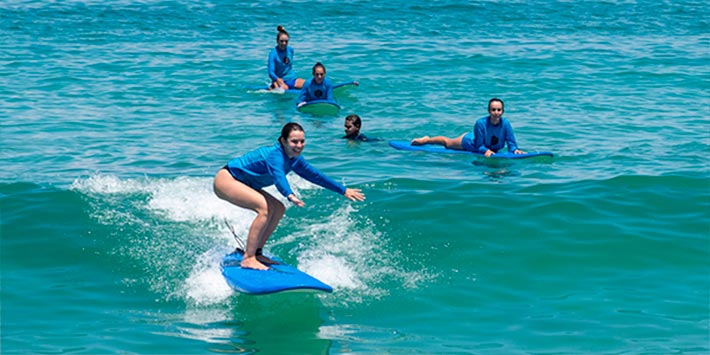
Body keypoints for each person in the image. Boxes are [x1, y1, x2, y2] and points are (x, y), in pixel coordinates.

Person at [213, 122, 366, 270]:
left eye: (302, 141)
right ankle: (248, 258)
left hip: (246, 184)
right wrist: (289, 194)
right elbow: (279, 176)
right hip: (228, 179)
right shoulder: (274, 155)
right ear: (283, 141)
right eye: (294, 141)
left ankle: (257, 253)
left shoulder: (294, 159)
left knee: (278, 209)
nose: (299, 146)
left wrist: (343, 190)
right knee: (264, 208)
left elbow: (316, 176)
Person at [411, 98, 526, 157]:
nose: (496, 112)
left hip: (487, 144)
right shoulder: (480, 123)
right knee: (448, 143)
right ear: (489, 111)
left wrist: (515, 150)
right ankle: (427, 139)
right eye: (493, 110)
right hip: (469, 141)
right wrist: (485, 150)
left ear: (503, 111)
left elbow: (511, 143)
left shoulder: (506, 124)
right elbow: (479, 146)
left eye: (499, 110)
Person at [268, 25, 305, 90]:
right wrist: (277, 79)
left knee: (309, 84)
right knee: (284, 89)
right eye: (281, 41)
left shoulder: (290, 50)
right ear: (277, 41)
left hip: (292, 79)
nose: (284, 43)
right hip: (280, 81)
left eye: (286, 41)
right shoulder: (273, 54)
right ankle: (273, 86)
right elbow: (271, 72)